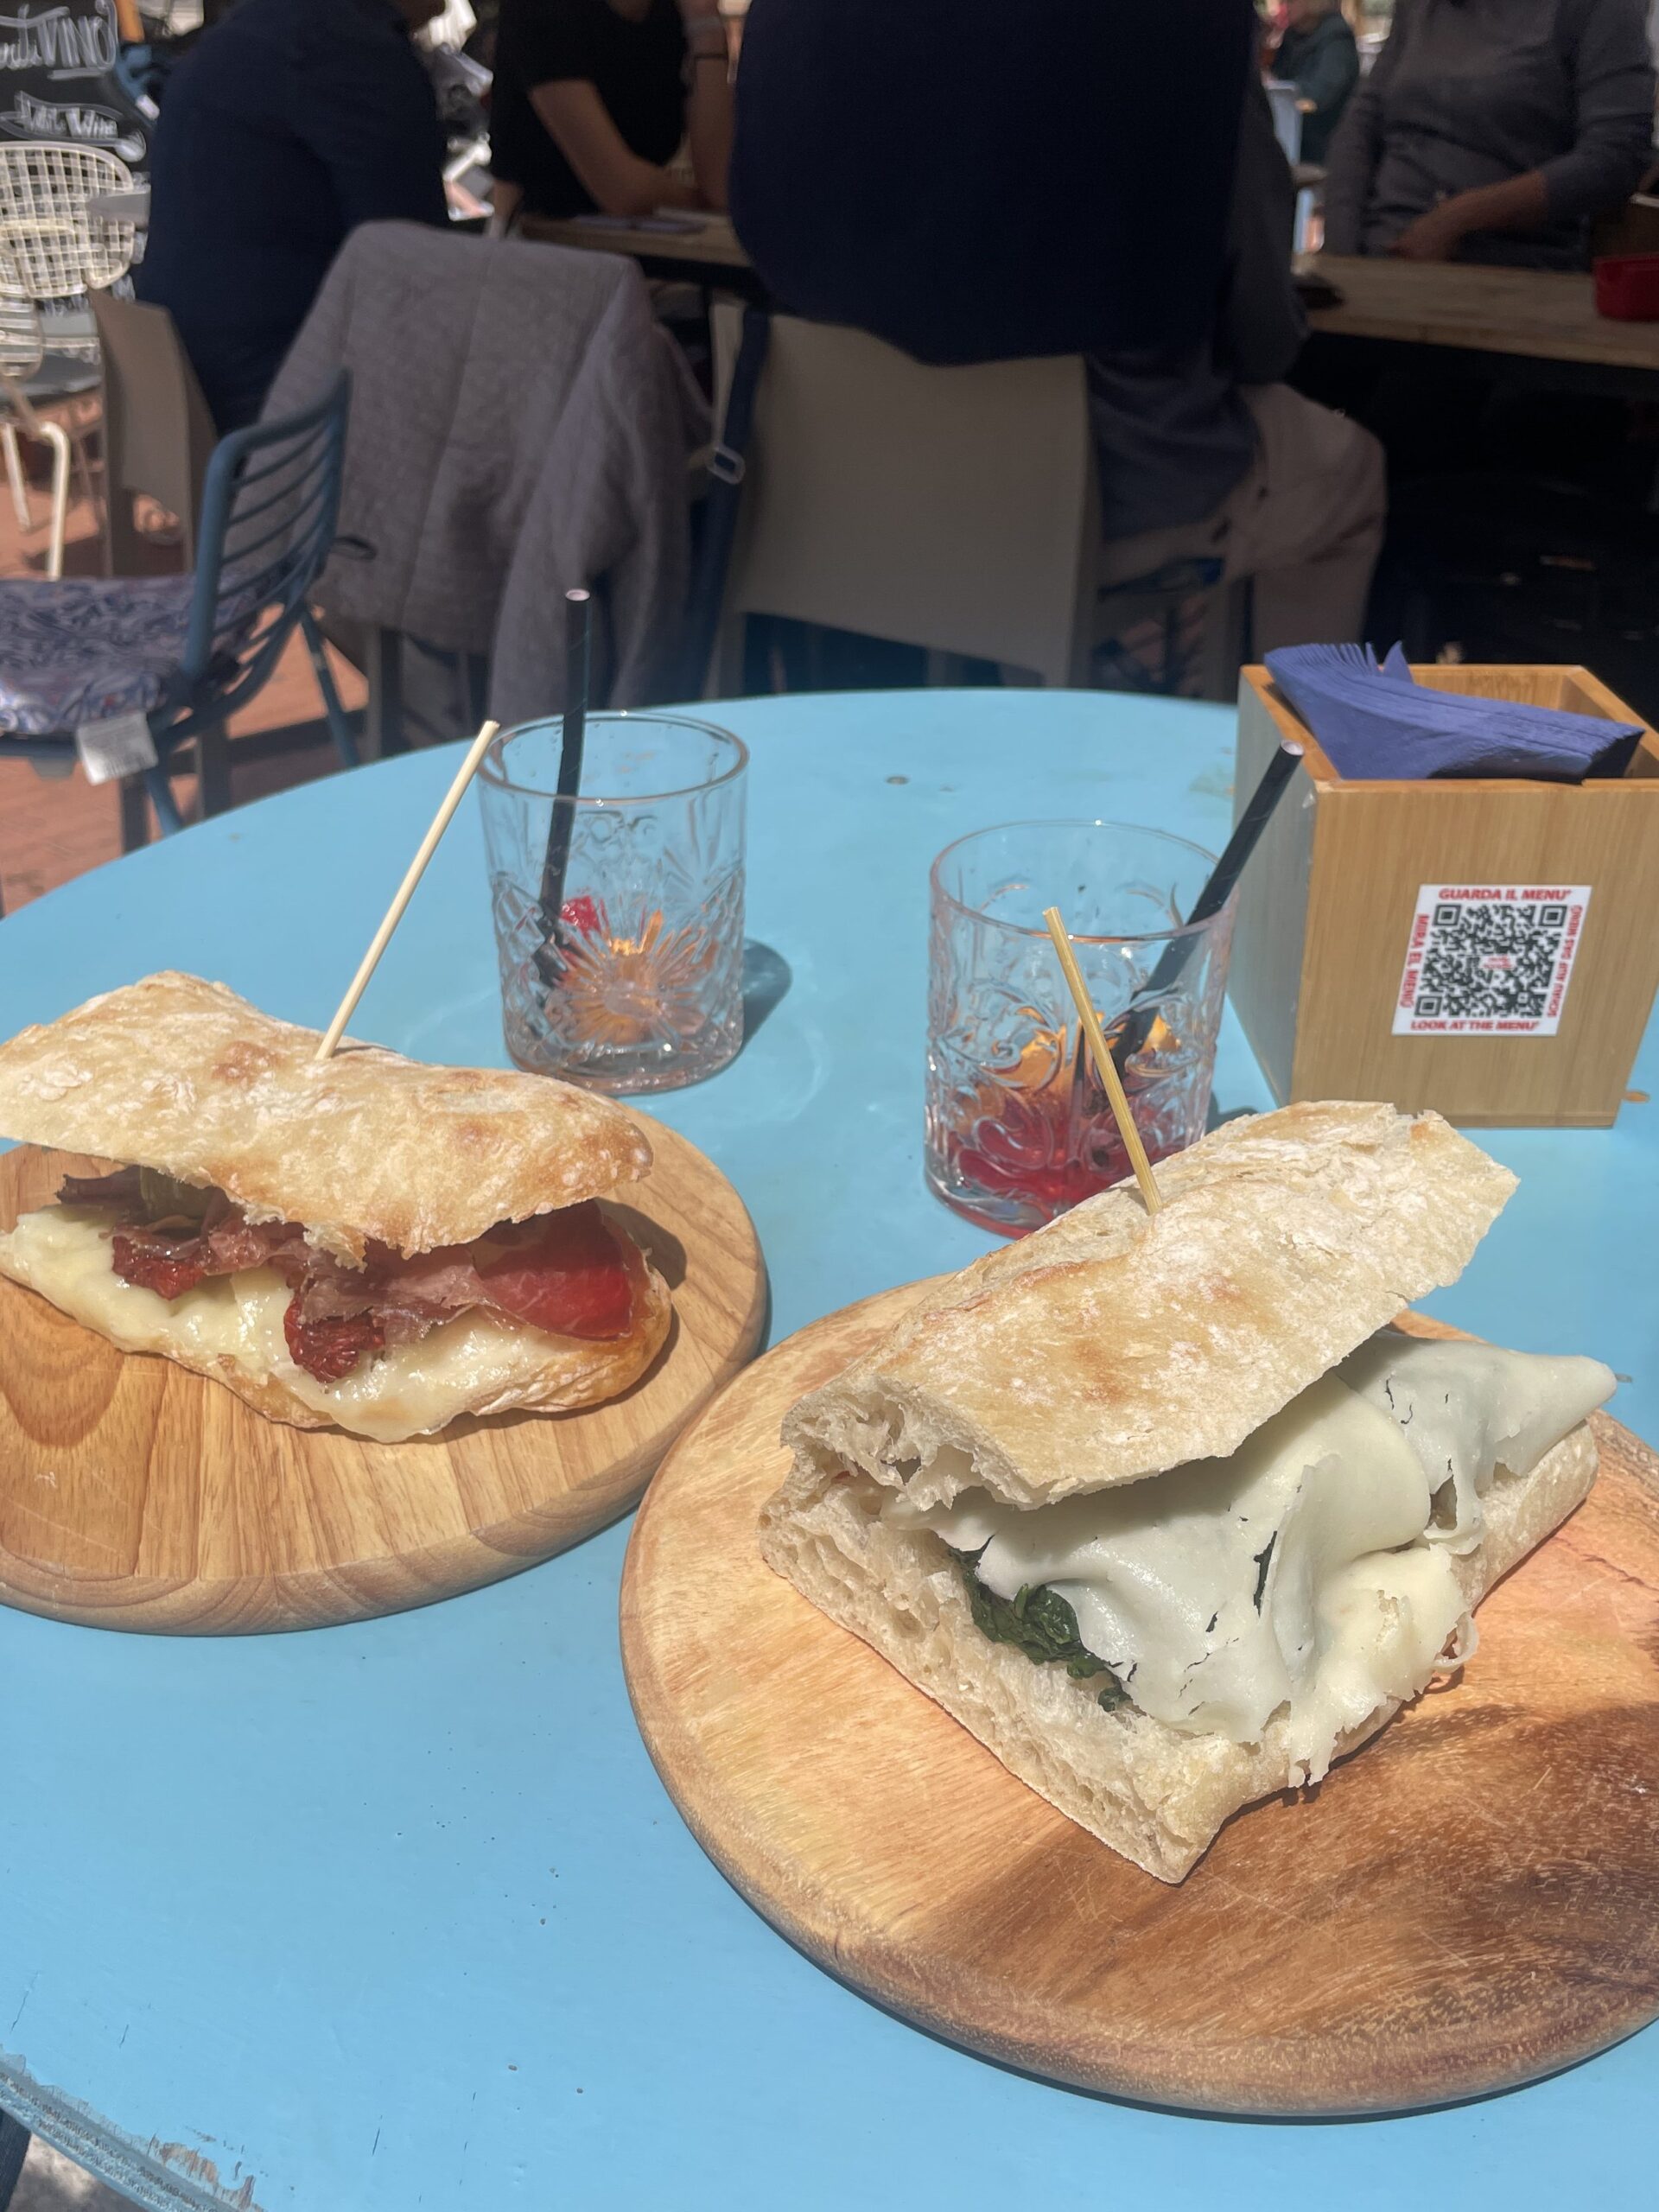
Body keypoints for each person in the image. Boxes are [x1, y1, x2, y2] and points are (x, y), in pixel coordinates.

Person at [1092, 77, 1385, 651]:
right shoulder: (1195, 38)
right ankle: (1276, 736)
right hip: (1107, 499)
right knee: (1348, 466)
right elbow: (1264, 342)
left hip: (901, 485)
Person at [136, 0, 448, 431]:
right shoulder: (347, 48)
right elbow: (417, 265)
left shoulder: (250, 29)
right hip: (280, 415)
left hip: (184, 390)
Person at [1323, 0, 1656, 267]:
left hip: (1508, 269)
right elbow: (1360, 126)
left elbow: (1617, 156)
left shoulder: (1598, 9)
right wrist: (1343, 249)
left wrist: (1458, 219)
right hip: (1378, 255)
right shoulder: (1418, 8)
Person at [489, 0, 732, 224]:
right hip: (540, 247)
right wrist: (704, 203)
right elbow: (625, 192)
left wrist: (705, 25)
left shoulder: (673, 12)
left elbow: (722, 187)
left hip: (645, 241)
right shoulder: (543, 8)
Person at [1270, 0, 1360, 164]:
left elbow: (1320, 94)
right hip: (1292, 138)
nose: (1284, 6)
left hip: (1322, 145)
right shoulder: (1292, 35)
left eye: (1290, 1)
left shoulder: (1337, 37)